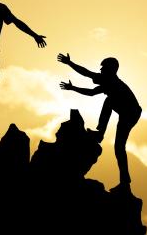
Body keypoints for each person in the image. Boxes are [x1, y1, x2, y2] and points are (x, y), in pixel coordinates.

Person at [58, 53, 142, 193]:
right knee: (119, 146)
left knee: (119, 146)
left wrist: (69, 63)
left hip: (131, 113)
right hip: (128, 112)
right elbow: (90, 90)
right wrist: (73, 87)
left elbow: (86, 73)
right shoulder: (108, 82)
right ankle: (125, 182)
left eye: (103, 68)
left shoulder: (111, 81)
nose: (100, 70)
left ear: (110, 70)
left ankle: (125, 182)